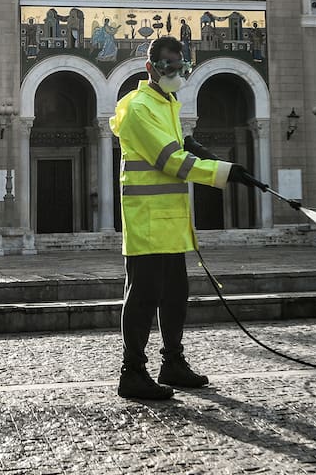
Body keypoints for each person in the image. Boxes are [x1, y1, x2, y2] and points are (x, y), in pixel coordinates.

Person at [109, 35, 268, 400]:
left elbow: (181, 145)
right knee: (143, 296)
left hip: (171, 220)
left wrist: (206, 153)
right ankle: (131, 372)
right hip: (147, 220)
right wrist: (223, 172)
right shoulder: (138, 108)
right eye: (168, 68)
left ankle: (172, 363)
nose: (175, 74)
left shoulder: (168, 103)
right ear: (150, 68)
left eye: (180, 68)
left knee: (176, 295)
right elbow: (170, 161)